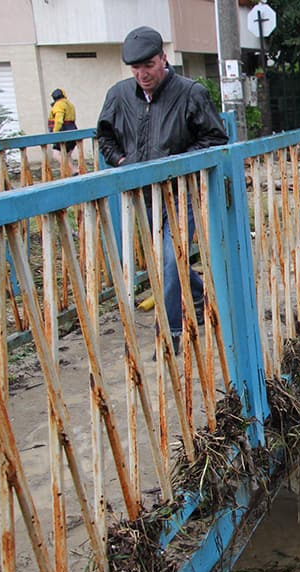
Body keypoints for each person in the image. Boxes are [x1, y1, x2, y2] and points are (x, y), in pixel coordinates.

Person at [97, 25, 228, 356]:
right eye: (135, 68)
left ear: (163, 59)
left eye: (149, 65)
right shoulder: (119, 95)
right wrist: (123, 161)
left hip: (181, 194)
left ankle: (170, 334)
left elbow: (215, 138)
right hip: (144, 197)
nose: (142, 74)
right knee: (171, 262)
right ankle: (197, 296)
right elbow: (104, 136)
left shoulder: (190, 93)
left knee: (170, 262)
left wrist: (176, 164)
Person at [47, 88, 78, 172]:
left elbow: (59, 120)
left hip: (64, 131)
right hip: (73, 130)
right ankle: (72, 174)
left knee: (56, 154)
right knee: (67, 155)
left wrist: (55, 133)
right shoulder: (69, 104)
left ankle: (74, 171)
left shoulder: (59, 105)